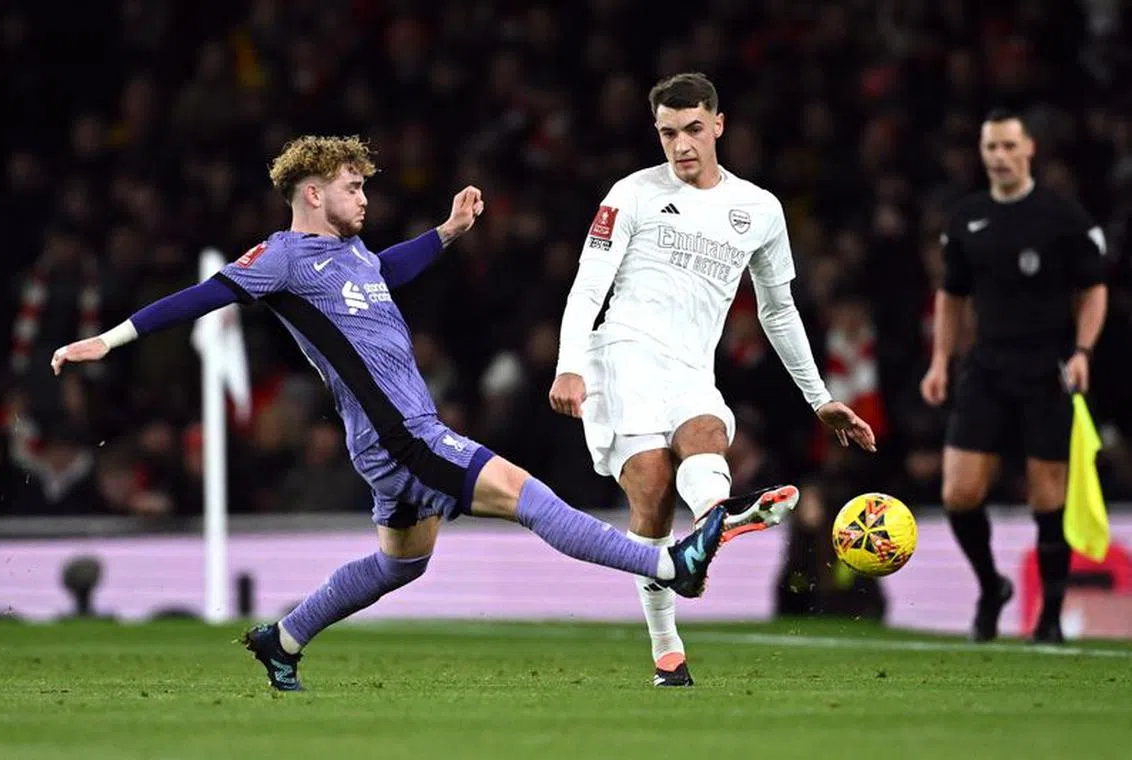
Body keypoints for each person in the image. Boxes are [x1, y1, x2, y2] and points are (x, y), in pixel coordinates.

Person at [50, 135, 730, 691]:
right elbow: (203, 296)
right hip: (404, 436)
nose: (366, 198)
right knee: (527, 494)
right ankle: (671, 567)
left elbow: (386, 271)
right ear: (313, 194)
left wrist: (449, 231)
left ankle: (283, 640)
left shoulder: (351, 256)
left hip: (384, 441)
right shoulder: (283, 258)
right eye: (354, 187)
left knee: (404, 563)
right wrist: (108, 341)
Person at [549, 73, 877, 686]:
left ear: (719, 125)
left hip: (692, 365)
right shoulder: (630, 194)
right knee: (651, 488)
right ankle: (667, 643)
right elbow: (589, 285)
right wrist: (569, 363)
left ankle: (713, 527)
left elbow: (779, 309)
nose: (682, 145)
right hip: (621, 355)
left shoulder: (758, 209)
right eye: (669, 133)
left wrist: (820, 397)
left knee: (705, 435)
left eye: (694, 129)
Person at [920, 109, 1109, 644]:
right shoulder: (966, 218)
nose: (998, 156)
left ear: (1028, 150)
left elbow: (1093, 288)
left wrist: (1083, 351)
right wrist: (941, 361)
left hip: (1047, 366)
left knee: (1048, 494)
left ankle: (1049, 618)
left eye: (1007, 146)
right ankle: (990, 586)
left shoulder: (1060, 216)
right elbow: (952, 296)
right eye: (990, 148)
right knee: (959, 491)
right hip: (986, 365)